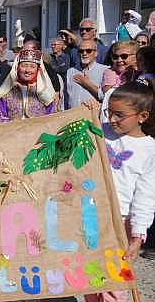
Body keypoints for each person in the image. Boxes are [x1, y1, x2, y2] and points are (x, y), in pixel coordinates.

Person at [83, 81, 155, 302]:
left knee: (115, 280)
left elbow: (145, 195)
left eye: (119, 115)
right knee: (92, 275)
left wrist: (137, 236)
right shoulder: (101, 131)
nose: (112, 119)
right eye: (109, 113)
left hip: (120, 220)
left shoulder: (149, 149)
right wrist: (88, 115)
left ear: (142, 116)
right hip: (92, 214)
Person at [0, 49, 57, 122]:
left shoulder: (45, 92)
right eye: (24, 66)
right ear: (17, 68)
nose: (27, 70)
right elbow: (0, 118)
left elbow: (52, 119)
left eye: (32, 67)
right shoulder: (6, 92)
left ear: (38, 69)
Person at [66, 39, 108, 109]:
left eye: (88, 51)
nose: (84, 53)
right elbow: (66, 97)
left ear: (96, 53)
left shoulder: (105, 70)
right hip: (72, 116)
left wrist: (87, 84)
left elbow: (107, 97)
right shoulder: (70, 71)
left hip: (93, 116)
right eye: (81, 51)